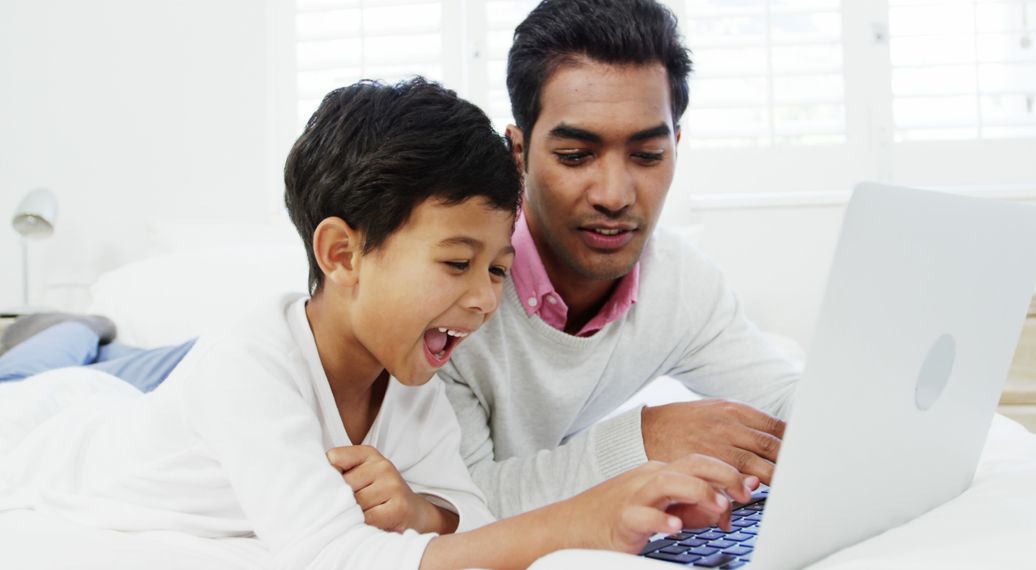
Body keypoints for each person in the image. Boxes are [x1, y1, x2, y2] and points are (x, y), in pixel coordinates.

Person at [0, 78, 755, 569]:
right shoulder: (250, 364)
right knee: (52, 362)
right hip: (46, 437)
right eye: (456, 263)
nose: (486, 300)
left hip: (116, 407)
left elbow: (468, 507)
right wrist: (578, 522)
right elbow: (331, 554)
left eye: (496, 269)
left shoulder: (412, 370)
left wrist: (420, 508)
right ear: (341, 252)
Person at [438, 0, 802, 518]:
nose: (614, 194)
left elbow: (783, 401)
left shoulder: (679, 281)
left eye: (647, 155)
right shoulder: (453, 297)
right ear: (517, 153)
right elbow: (461, 504)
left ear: (675, 146)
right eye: (575, 156)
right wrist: (644, 439)